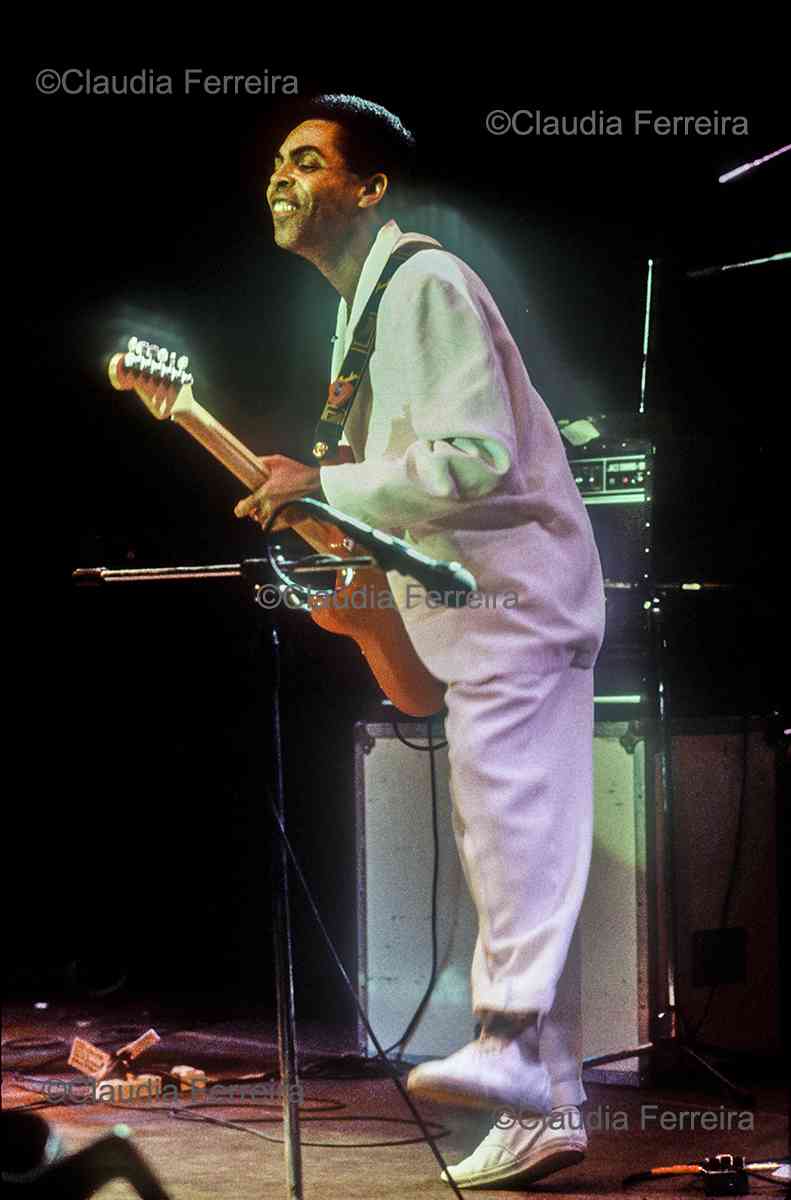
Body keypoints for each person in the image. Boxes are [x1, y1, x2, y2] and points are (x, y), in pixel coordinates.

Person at [235, 94, 605, 1190]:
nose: (281, 178)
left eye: (306, 160)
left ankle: (510, 1055)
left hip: (515, 609)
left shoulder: (428, 283)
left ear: (369, 186)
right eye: (274, 166)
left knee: (513, 852)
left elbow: (475, 455)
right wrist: (338, 535)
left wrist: (327, 485)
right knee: (510, 858)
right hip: (476, 620)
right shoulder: (358, 314)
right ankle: (551, 1104)